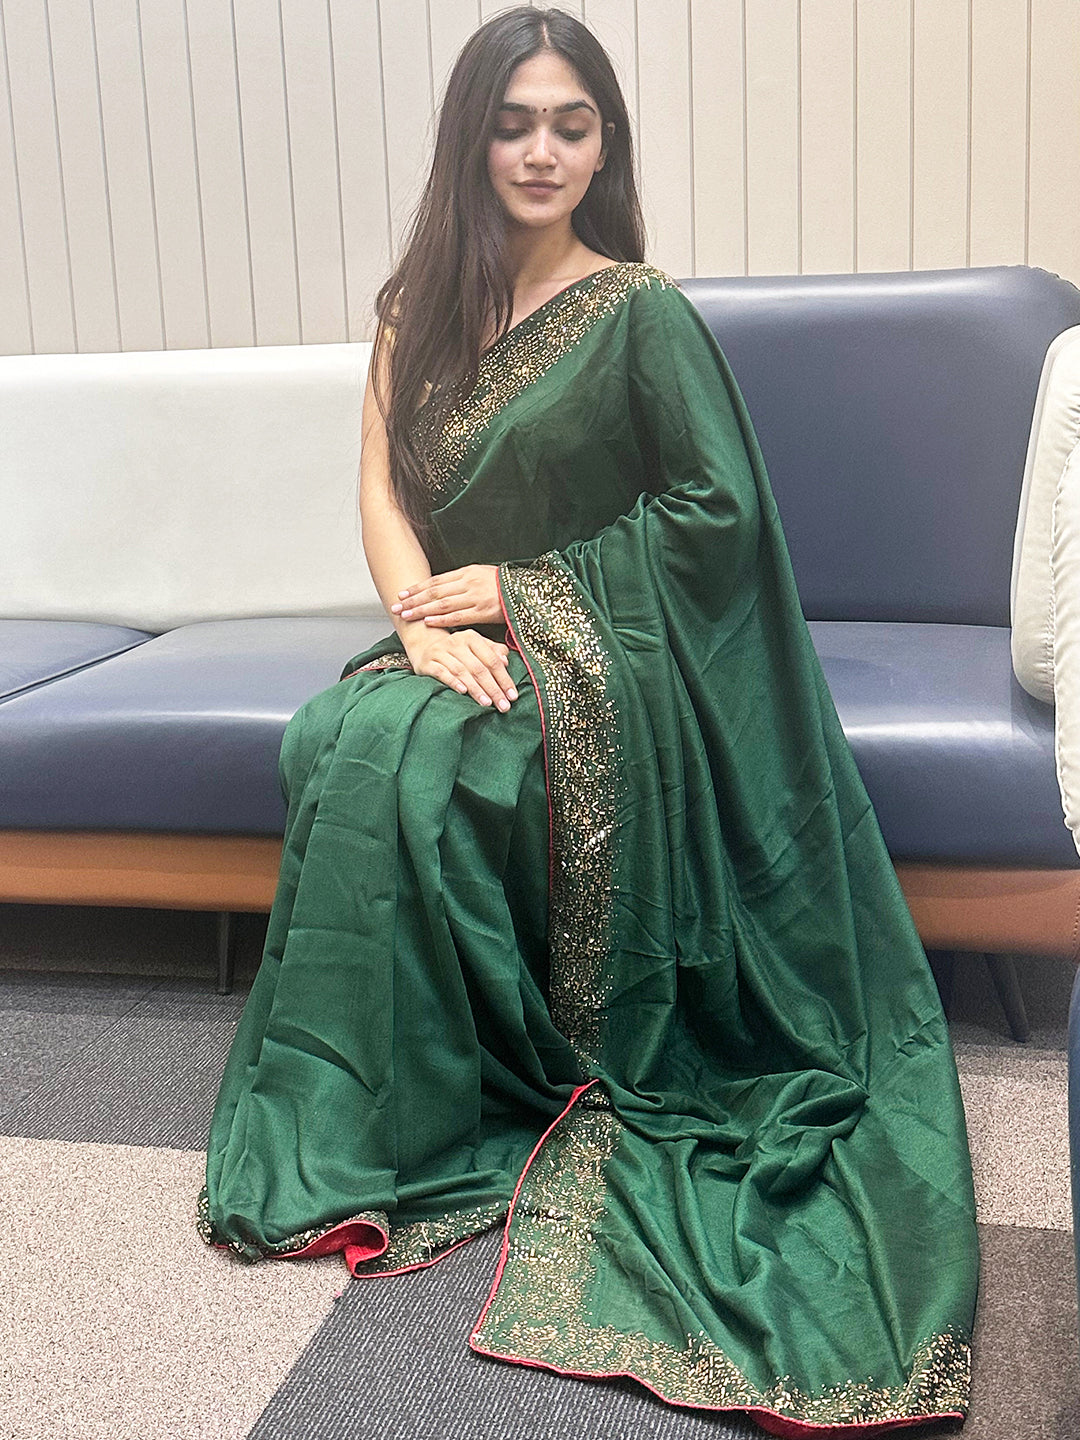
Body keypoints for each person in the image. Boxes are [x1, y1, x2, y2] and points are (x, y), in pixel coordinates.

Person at [200, 9, 978, 1434]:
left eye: (573, 122)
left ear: (605, 141)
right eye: (515, 121)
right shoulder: (413, 307)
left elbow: (716, 515)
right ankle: (391, 1099)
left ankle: (476, 1082)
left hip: (611, 654)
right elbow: (381, 490)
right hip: (462, 630)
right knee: (343, 738)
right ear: (470, 137)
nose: (543, 148)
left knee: (439, 770)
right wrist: (433, 624)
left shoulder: (639, 310)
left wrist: (525, 593)